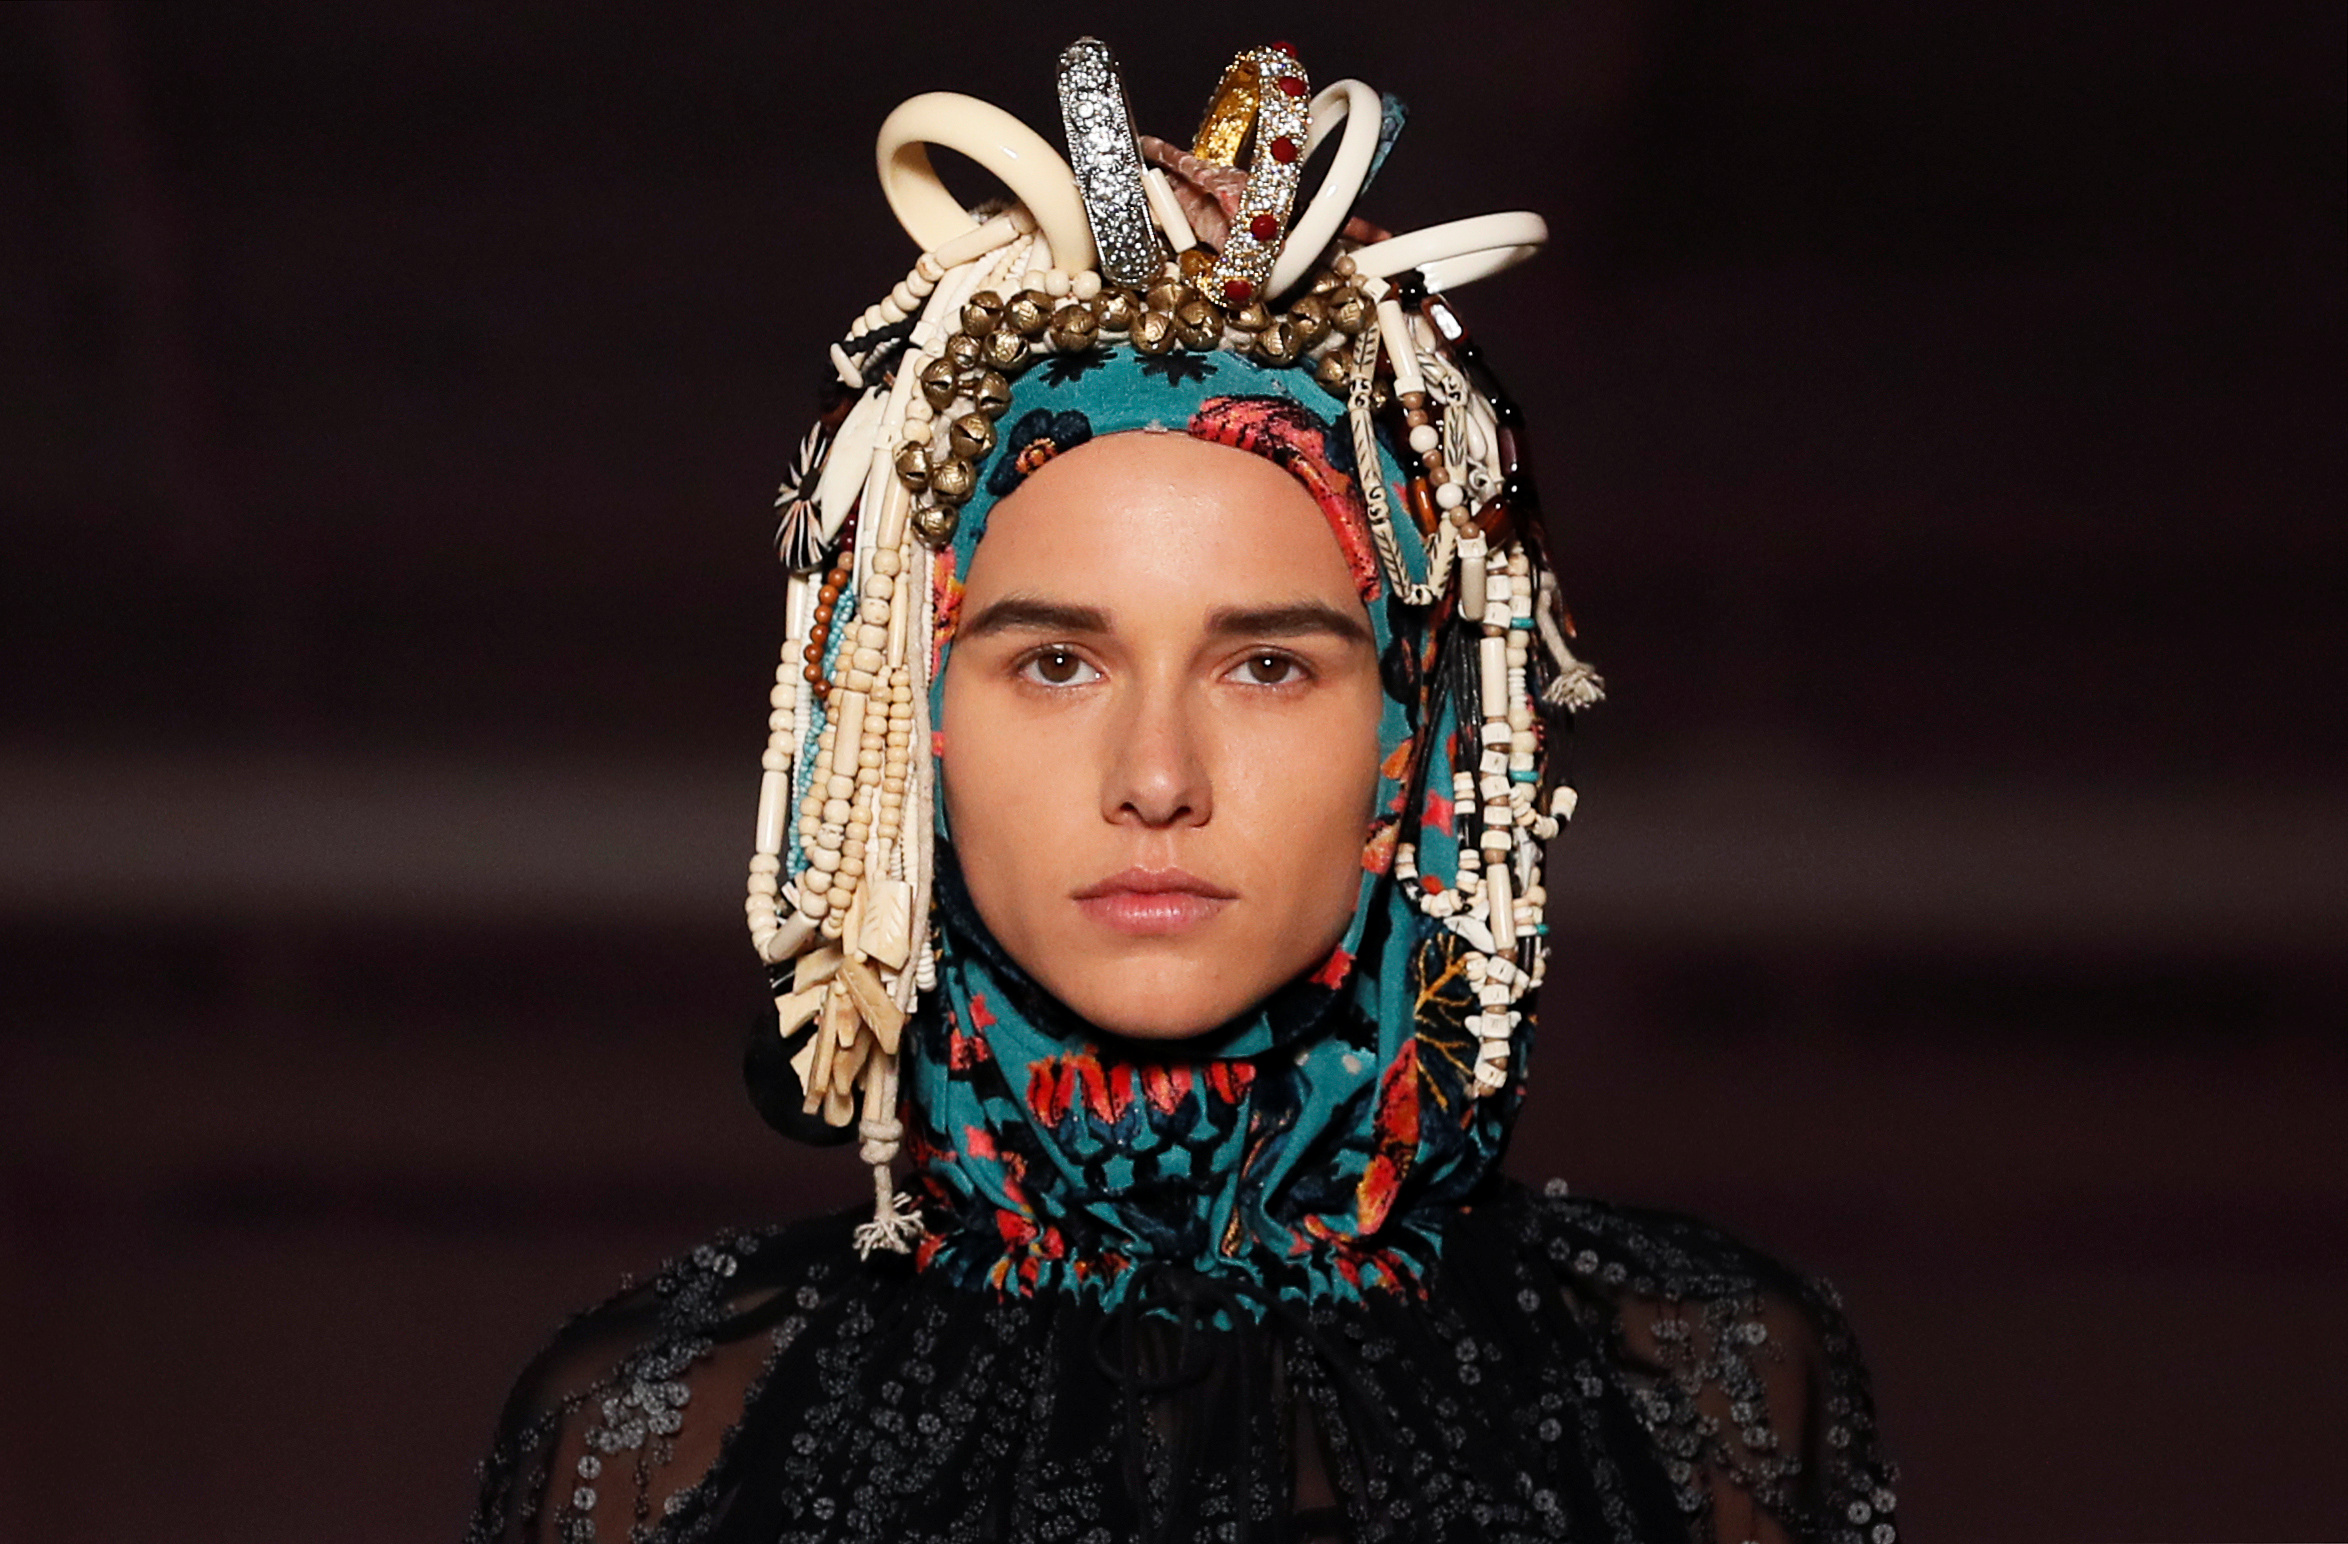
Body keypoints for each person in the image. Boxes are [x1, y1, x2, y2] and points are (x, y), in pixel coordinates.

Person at [467, 39, 1899, 1544]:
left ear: (1416, 728)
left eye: (1267, 666)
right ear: (903, 718)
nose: (1156, 780)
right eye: (1055, 664)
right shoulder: (659, 1440)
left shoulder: (1705, 1392)